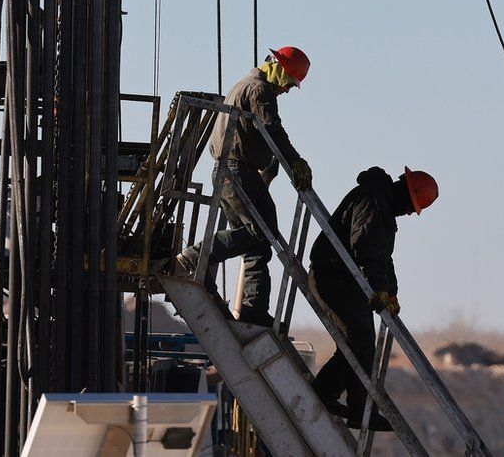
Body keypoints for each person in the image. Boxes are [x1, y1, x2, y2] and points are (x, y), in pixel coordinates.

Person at [175, 46, 313, 326]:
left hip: (230, 172)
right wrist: (295, 162)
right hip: (237, 172)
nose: (287, 90)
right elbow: (272, 129)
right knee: (264, 234)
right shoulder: (259, 89)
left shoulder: (245, 86)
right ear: (277, 67)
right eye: (288, 82)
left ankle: (253, 311)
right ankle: (192, 259)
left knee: (255, 242)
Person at [309, 166, 438, 431]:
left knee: (360, 342)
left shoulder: (381, 204)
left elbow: (382, 257)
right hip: (333, 277)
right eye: (412, 207)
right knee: (360, 341)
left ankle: (336, 398)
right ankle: (351, 406)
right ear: (406, 191)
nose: (410, 213)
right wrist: (379, 288)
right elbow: (366, 246)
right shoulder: (373, 202)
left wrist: (390, 291)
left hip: (343, 279)